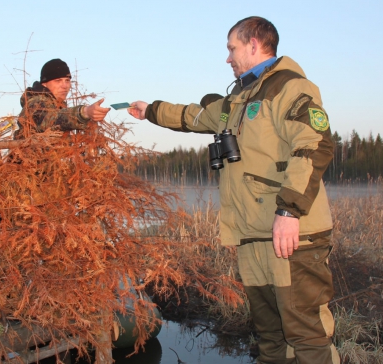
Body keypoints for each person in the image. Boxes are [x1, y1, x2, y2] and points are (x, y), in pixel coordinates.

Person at [128, 16, 339, 364]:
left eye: (232, 49)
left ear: (254, 44)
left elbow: (314, 145)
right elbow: (191, 116)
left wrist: (288, 212)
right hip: (253, 238)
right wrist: (149, 110)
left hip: (291, 235)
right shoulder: (236, 102)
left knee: (307, 335)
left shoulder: (290, 88)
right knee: (270, 337)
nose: (228, 58)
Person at [14, 58, 109, 139]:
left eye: (67, 80)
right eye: (58, 81)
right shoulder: (35, 103)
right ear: (44, 84)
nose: (64, 86)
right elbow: (50, 119)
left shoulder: (58, 106)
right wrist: (84, 112)